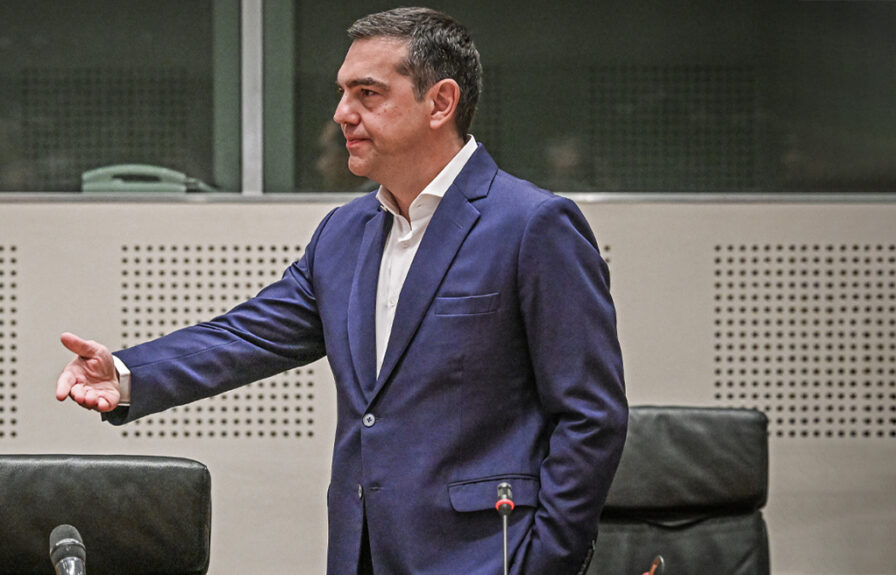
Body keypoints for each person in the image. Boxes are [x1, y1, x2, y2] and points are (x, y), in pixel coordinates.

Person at [56, 7, 627, 575]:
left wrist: (546, 563)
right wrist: (125, 373)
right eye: (342, 92)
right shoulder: (343, 233)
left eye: (367, 93)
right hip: (361, 555)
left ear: (441, 103)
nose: (341, 114)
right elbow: (247, 335)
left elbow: (590, 418)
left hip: (484, 556)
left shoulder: (533, 225)